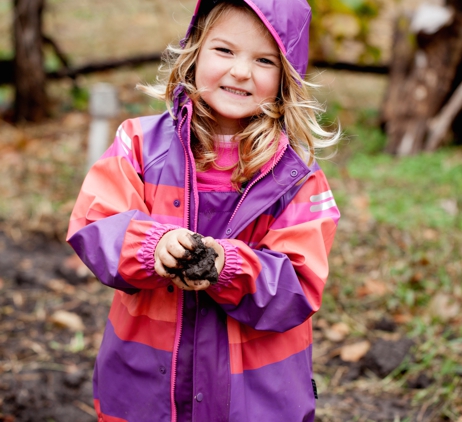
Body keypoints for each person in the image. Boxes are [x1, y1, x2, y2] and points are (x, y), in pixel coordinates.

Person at [67, 0, 340, 421]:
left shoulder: (297, 178)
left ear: (287, 78)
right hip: (147, 386)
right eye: (225, 50)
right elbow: (96, 221)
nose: (241, 71)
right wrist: (153, 245)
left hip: (254, 397)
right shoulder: (140, 145)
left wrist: (225, 265)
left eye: (264, 59)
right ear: (194, 52)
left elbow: (299, 283)